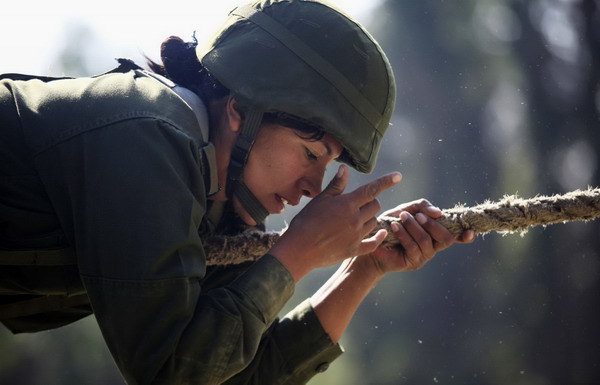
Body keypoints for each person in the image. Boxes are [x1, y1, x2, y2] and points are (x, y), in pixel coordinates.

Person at [0, 0, 473, 384]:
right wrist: (297, 252)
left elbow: (231, 374)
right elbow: (169, 374)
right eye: (311, 154)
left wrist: (362, 270)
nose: (312, 189)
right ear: (240, 110)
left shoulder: (221, 204)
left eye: (327, 166)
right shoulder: (150, 138)